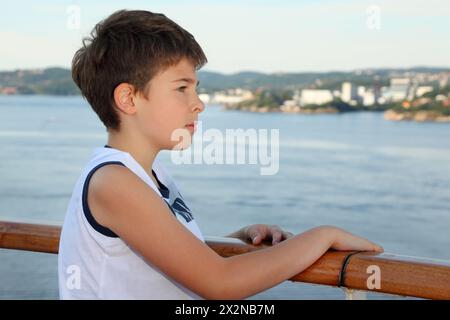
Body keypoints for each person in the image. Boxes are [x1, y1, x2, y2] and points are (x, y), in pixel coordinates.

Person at [58, 9, 383, 300]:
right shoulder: (114, 182)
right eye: (182, 88)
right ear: (128, 99)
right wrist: (323, 236)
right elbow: (220, 285)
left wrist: (236, 243)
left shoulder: (149, 176)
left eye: (196, 88)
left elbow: (167, 265)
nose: (198, 103)